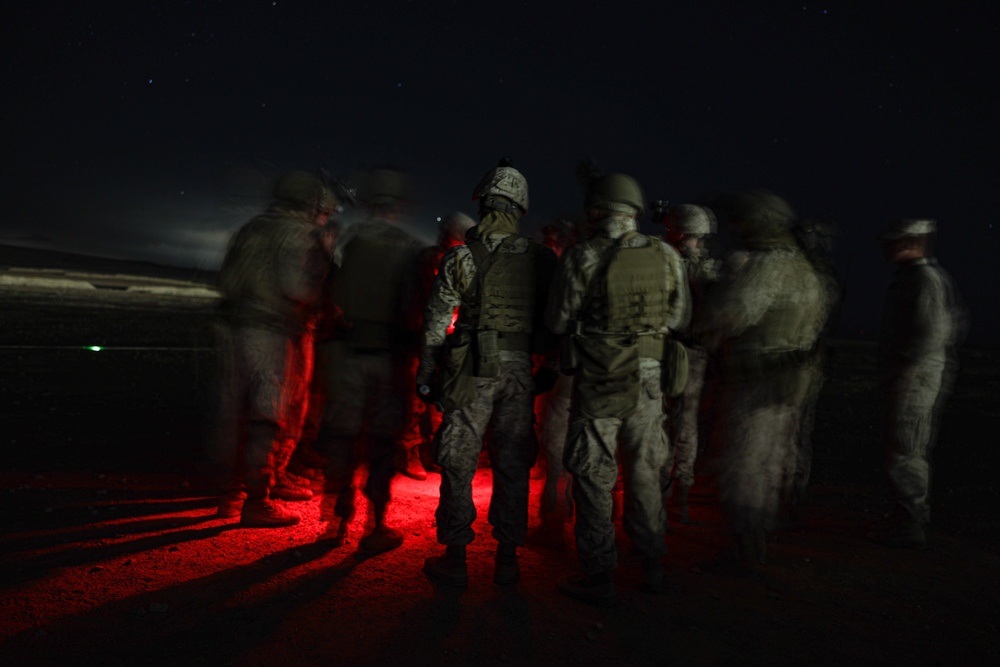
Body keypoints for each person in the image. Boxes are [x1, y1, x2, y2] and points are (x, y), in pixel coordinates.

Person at [546, 173, 691, 605]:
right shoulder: (666, 254)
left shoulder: (582, 255)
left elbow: (557, 321)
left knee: (593, 473)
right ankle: (651, 562)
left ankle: (598, 571)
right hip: (649, 379)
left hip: (600, 375)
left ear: (595, 210)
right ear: (634, 210)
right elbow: (680, 317)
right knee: (646, 469)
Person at [418, 159, 557, 587]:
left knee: (458, 458)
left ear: (484, 206)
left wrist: (427, 374)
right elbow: (553, 321)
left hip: (469, 370)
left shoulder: (460, 256)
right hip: (518, 373)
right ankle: (507, 559)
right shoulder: (541, 259)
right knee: (513, 462)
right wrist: (546, 367)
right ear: (520, 209)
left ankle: (456, 556)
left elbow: (437, 322)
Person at [697, 191, 831, 564]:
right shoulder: (805, 268)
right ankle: (756, 540)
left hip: (757, 382)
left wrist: (704, 307)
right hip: (790, 383)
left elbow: (730, 314)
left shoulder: (768, 266)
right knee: (770, 463)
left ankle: (744, 549)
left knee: (744, 465)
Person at [313, 167, 425, 554]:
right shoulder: (409, 248)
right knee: (382, 439)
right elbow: (414, 305)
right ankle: (375, 524)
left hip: (346, 354)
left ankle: (334, 518)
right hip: (388, 357)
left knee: (343, 435)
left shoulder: (347, 241)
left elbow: (329, 290)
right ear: (397, 205)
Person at [214, 170, 336, 527]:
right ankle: (256, 500)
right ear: (311, 201)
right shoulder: (302, 233)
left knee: (238, 414)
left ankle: (234, 494)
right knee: (271, 415)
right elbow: (299, 289)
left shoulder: (252, 228)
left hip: (236, 328)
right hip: (275, 331)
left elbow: (226, 280)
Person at [869, 218, 966, 549]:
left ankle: (910, 524)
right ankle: (903, 517)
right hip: (911, 376)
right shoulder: (914, 279)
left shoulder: (925, 280)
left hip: (915, 379)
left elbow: (932, 334)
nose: (887, 248)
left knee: (907, 449)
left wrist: (906, 373)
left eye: (894, 241)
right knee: (901, 448)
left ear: (913, 243)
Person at [397, 211, 476, 480]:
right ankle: (408, 453)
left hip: (442, 338)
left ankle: (432, 452)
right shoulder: (431, 259)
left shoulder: (452, 259)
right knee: (416, 399)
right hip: (420, 337)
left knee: (438, 400)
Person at [660, 204, 722, 525]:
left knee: (670, 422)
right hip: (693, 353)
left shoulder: (672, 263)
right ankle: (678, 493)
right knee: (684, 424)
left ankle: (670, 491)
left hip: (676, 349)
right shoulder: (711, 269)